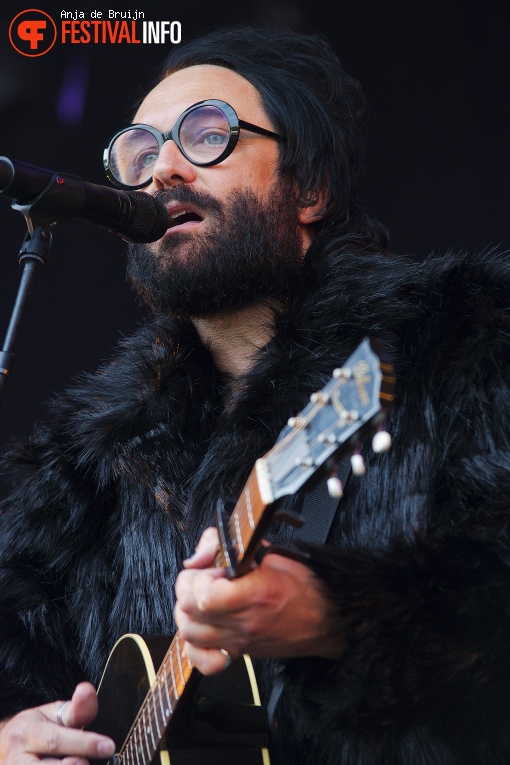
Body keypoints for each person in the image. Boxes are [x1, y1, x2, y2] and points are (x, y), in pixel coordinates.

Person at [1, 24, 510, 765]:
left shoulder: (459, 339)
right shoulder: (84, 465)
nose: (163, 170)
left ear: (309, 189)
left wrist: (338, 616)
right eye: (139, 153)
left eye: (207, 135)